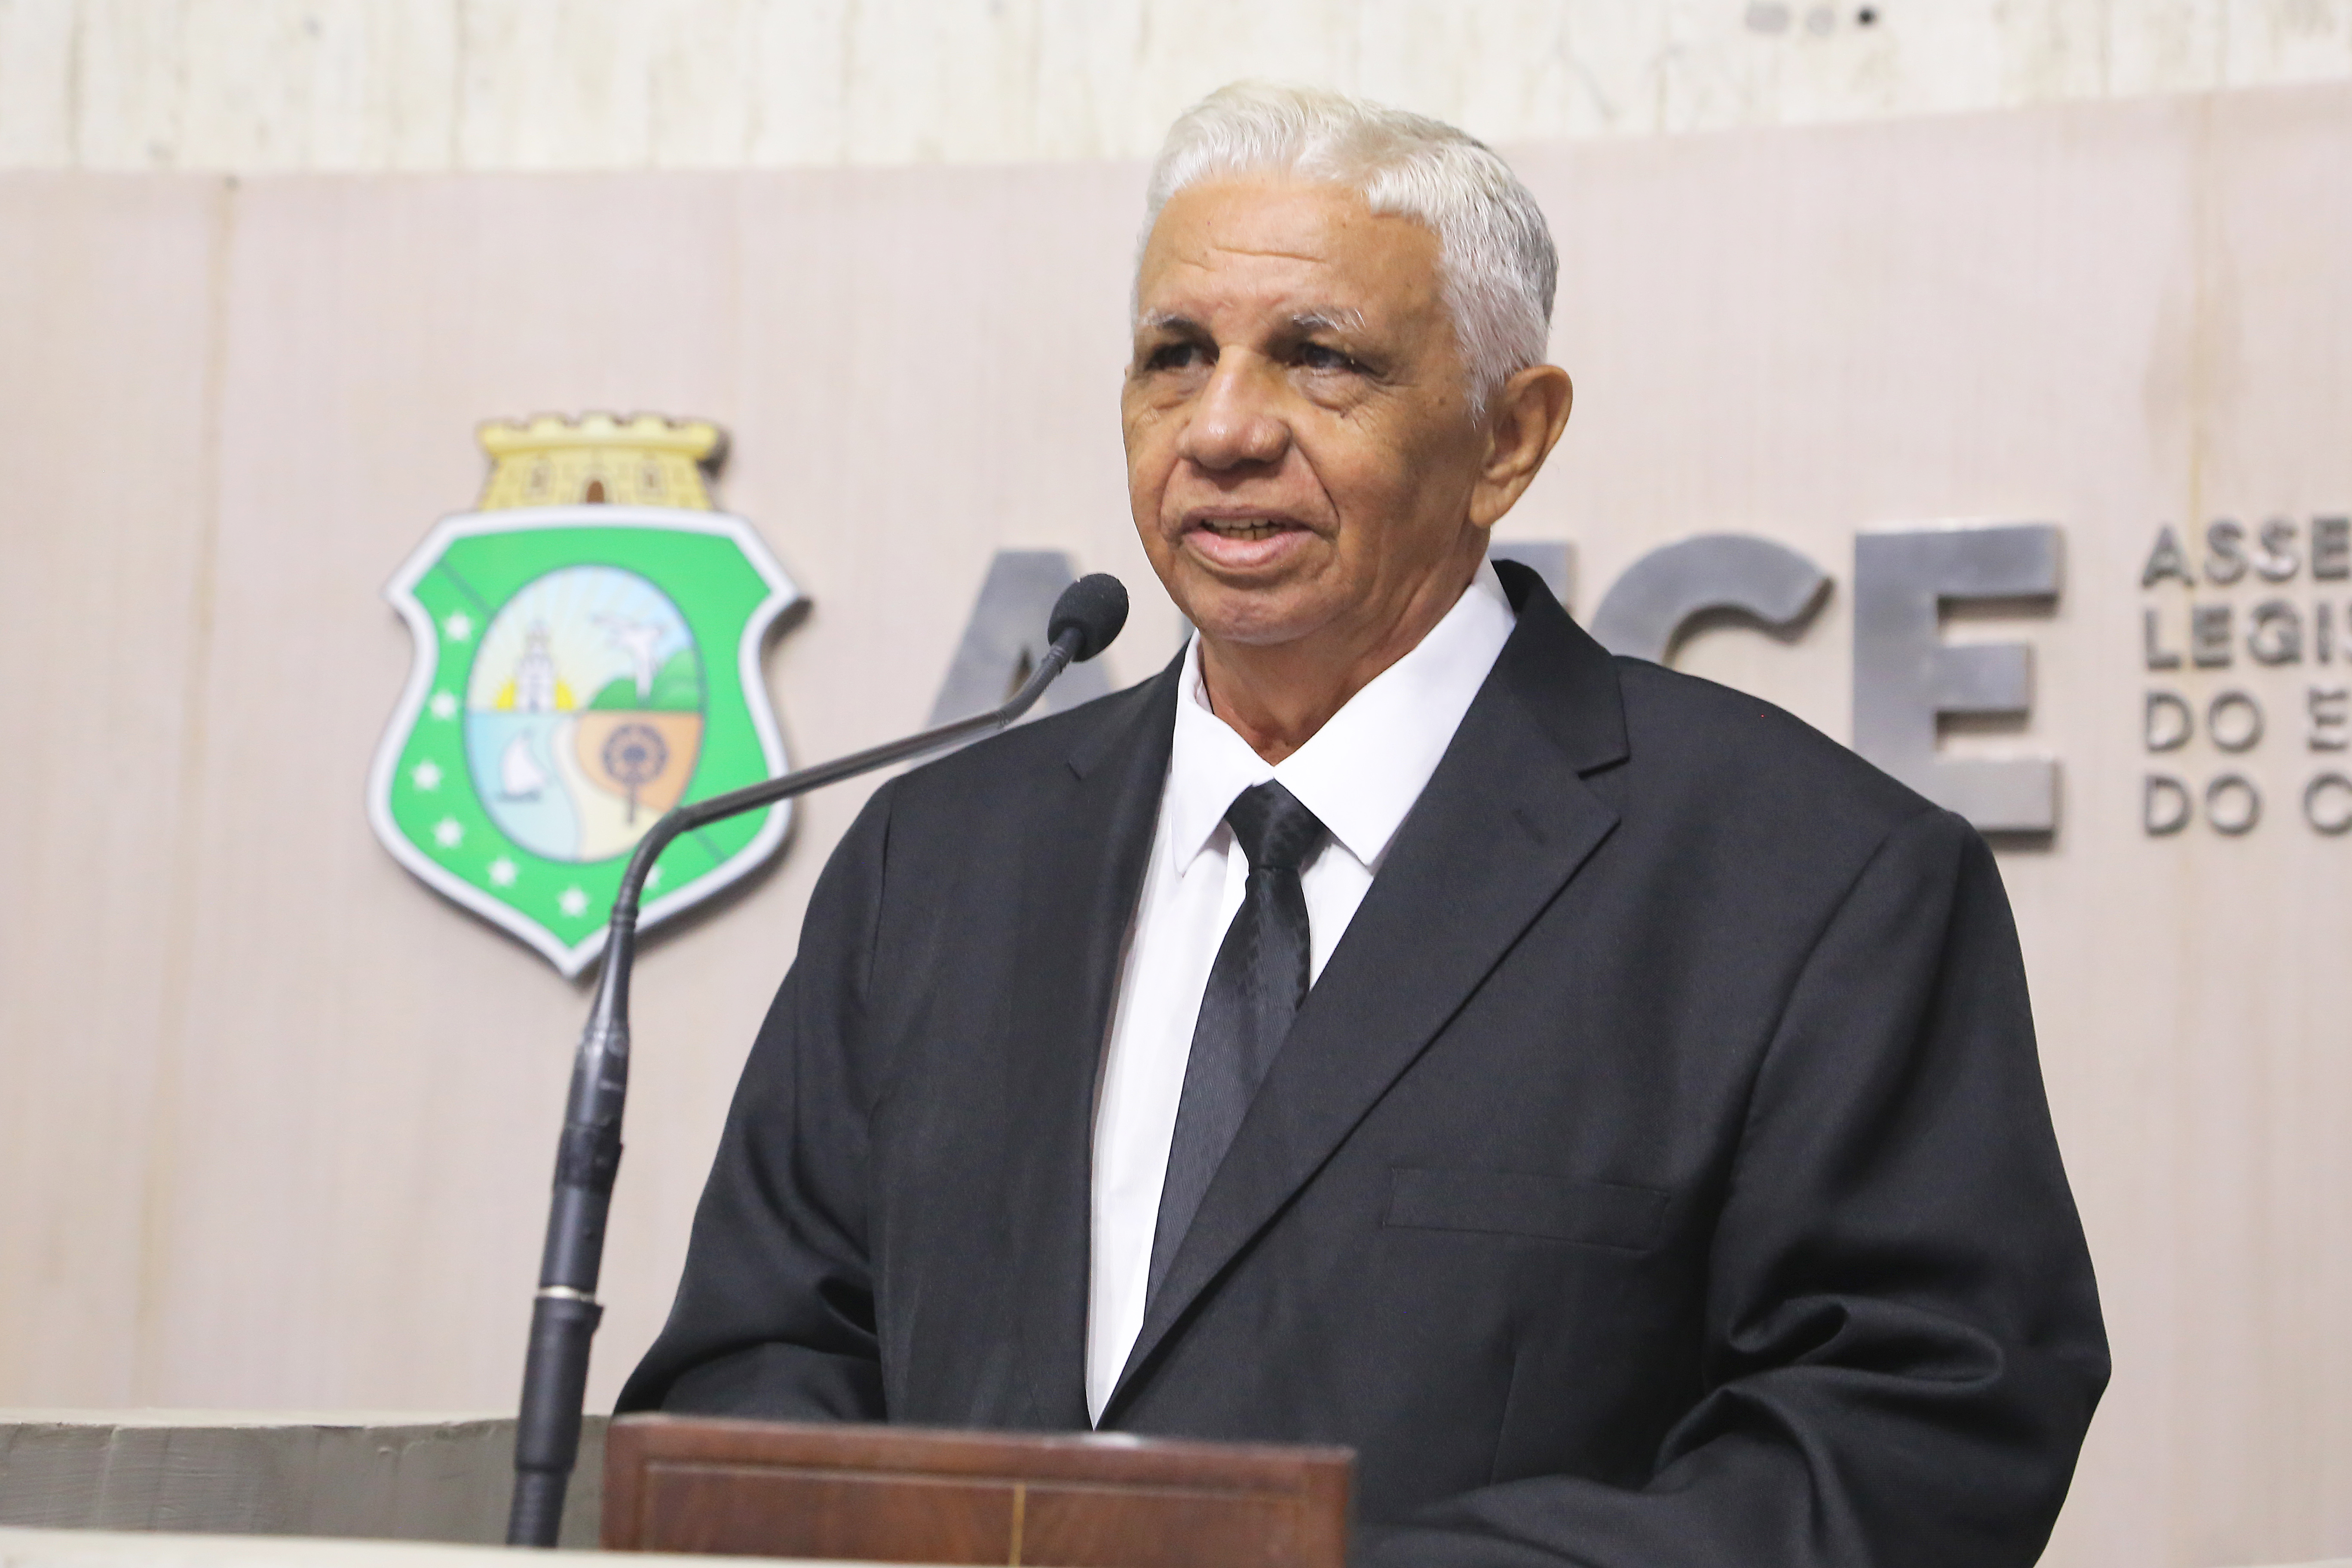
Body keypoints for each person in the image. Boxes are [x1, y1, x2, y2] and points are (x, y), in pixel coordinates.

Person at [618, 83, 2108, 1566]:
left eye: (1318, 358)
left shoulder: (1814, 880)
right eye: (1176, 356)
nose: (1221, 429)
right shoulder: (936, 861)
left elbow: (1915, 1440)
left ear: (1509, 438)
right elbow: (759, 1363)